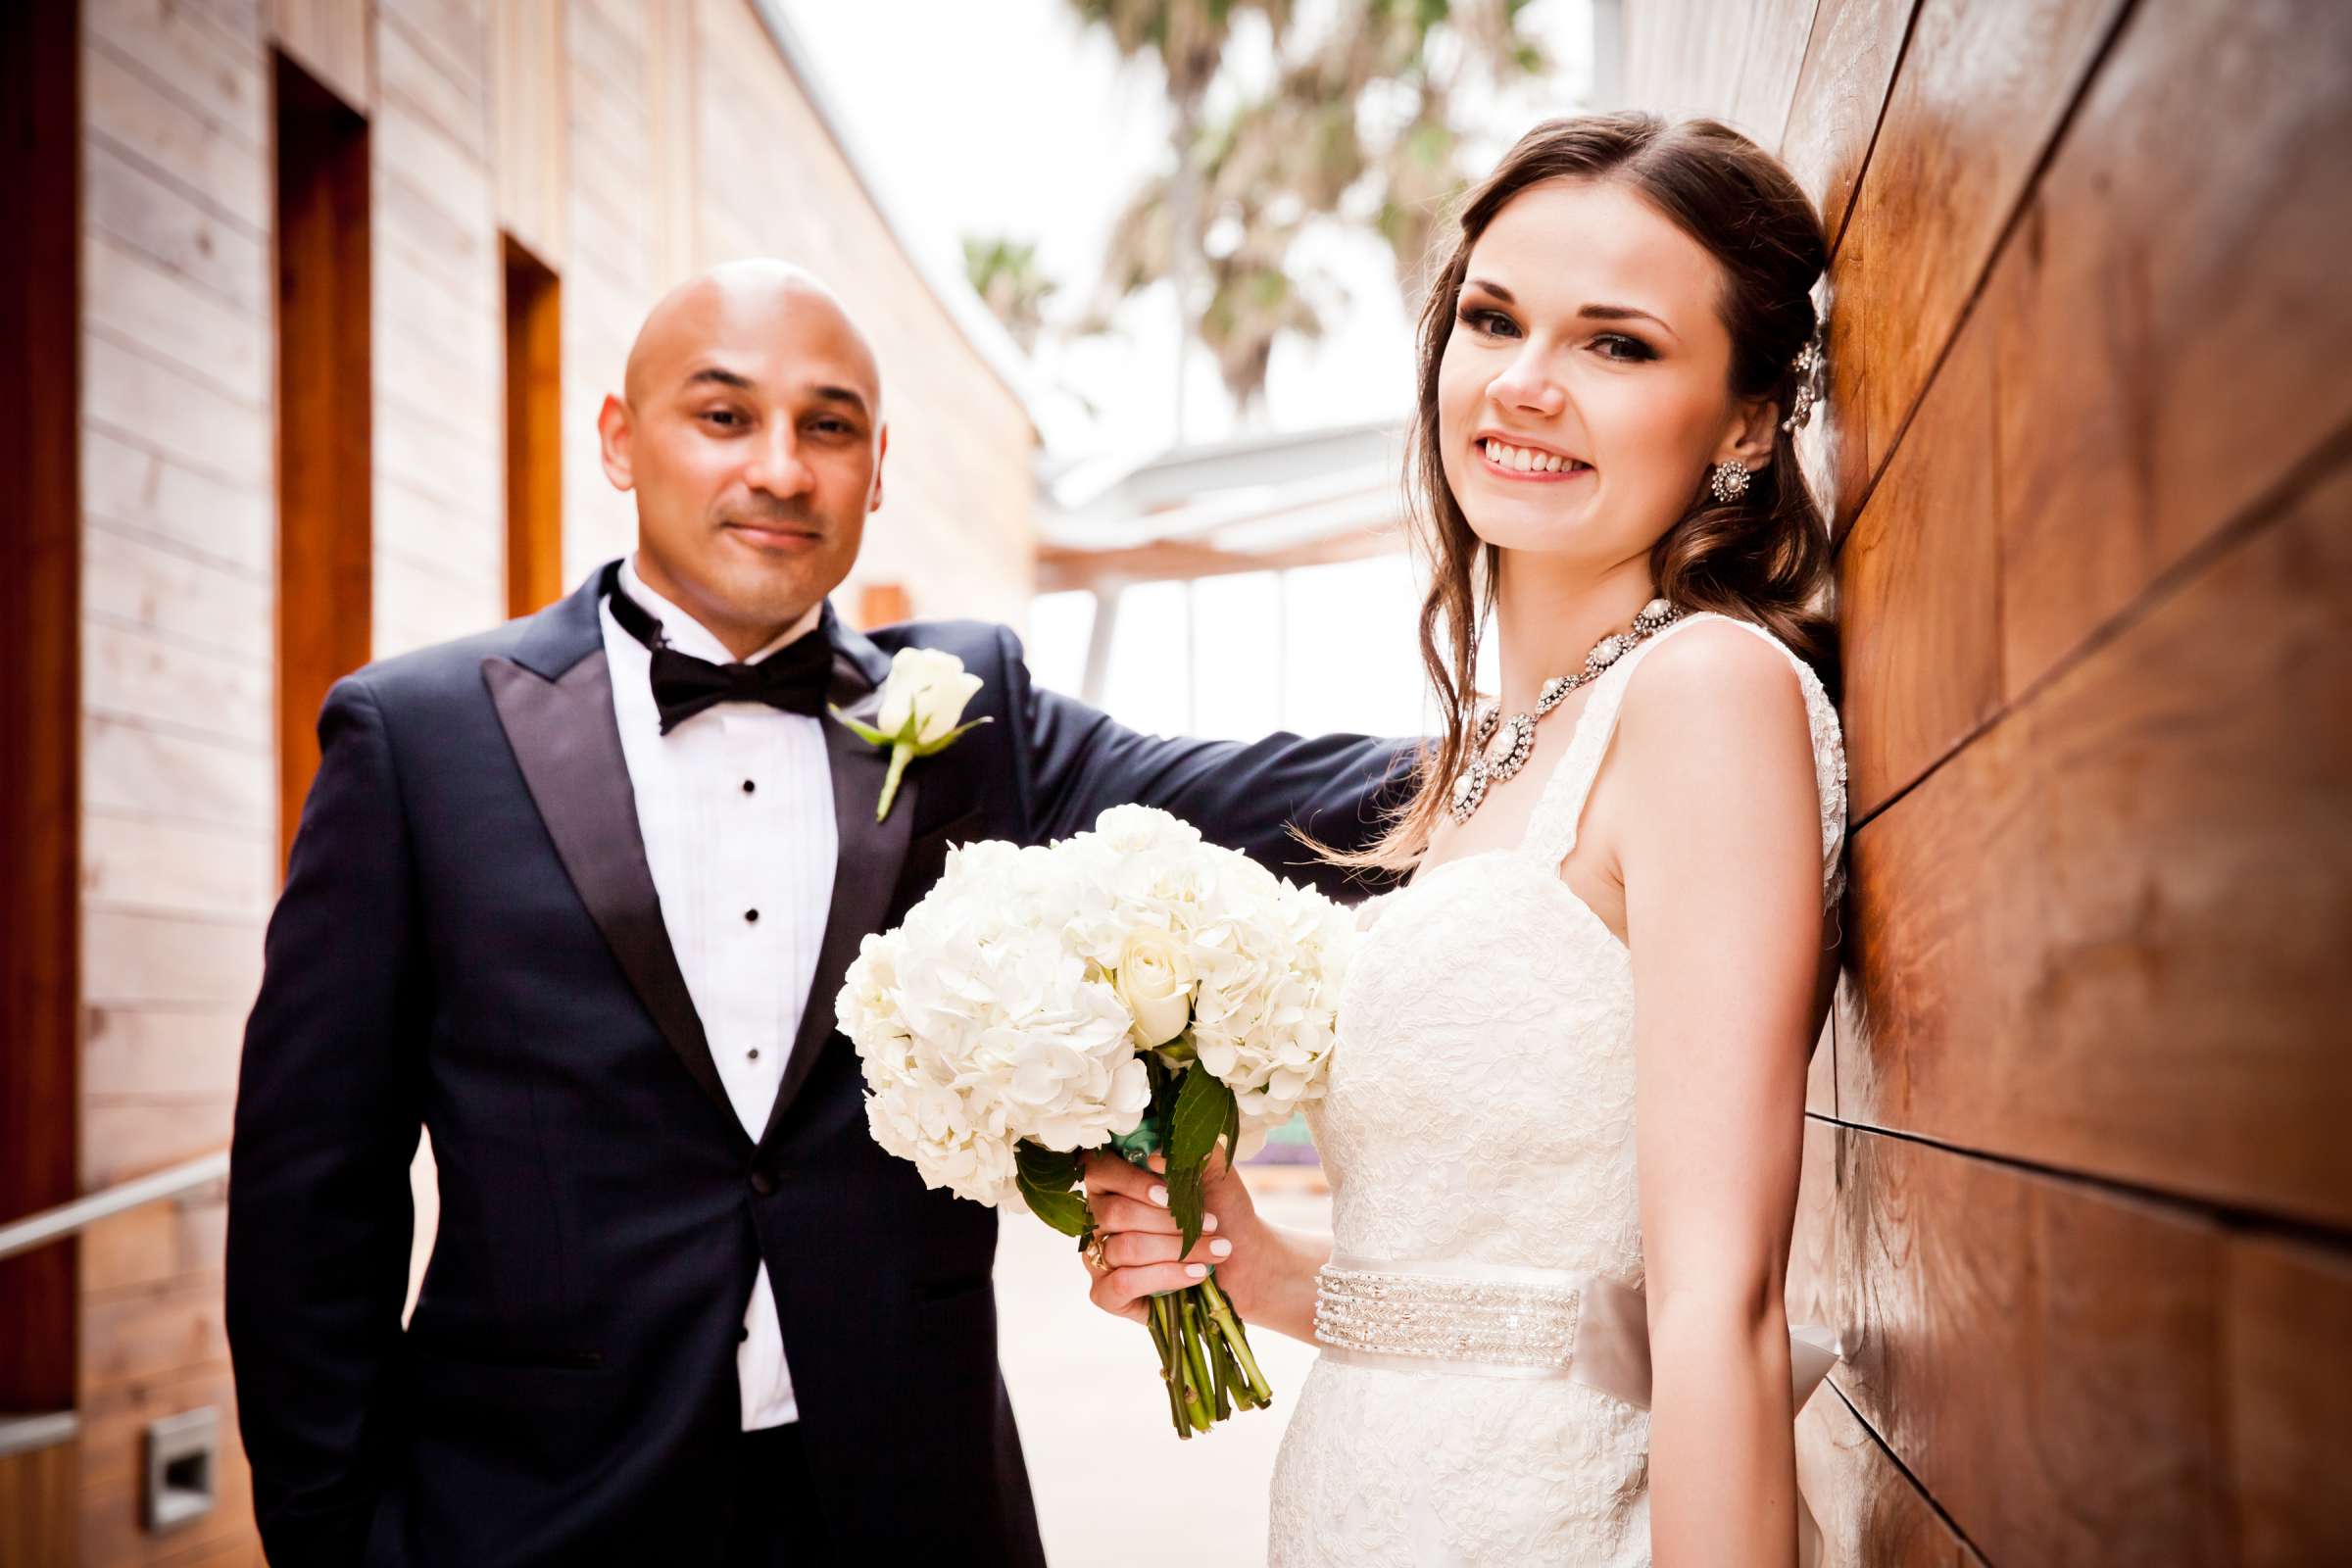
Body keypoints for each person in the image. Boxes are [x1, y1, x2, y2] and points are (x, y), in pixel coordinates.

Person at [224, 260, 1408, 1567]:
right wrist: (333, 1544)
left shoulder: (970, 716)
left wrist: (1576, 730)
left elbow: (1260, 798)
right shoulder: (419, 740)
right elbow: (312, 1196)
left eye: (828, 427)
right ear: (620, 440)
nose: (782, 468)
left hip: (910, 1511)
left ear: (879, 467)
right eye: (723, 417)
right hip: (529, 1515)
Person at [1080, 113, 1848, 1565]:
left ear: (1748, 421)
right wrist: (1256, 1261)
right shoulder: (1485, 762)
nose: (1525, 384)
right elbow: (1534, 1307)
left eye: (1616, 345)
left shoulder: (1704, 699)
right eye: (1492, 319)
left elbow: (1717, 1309)